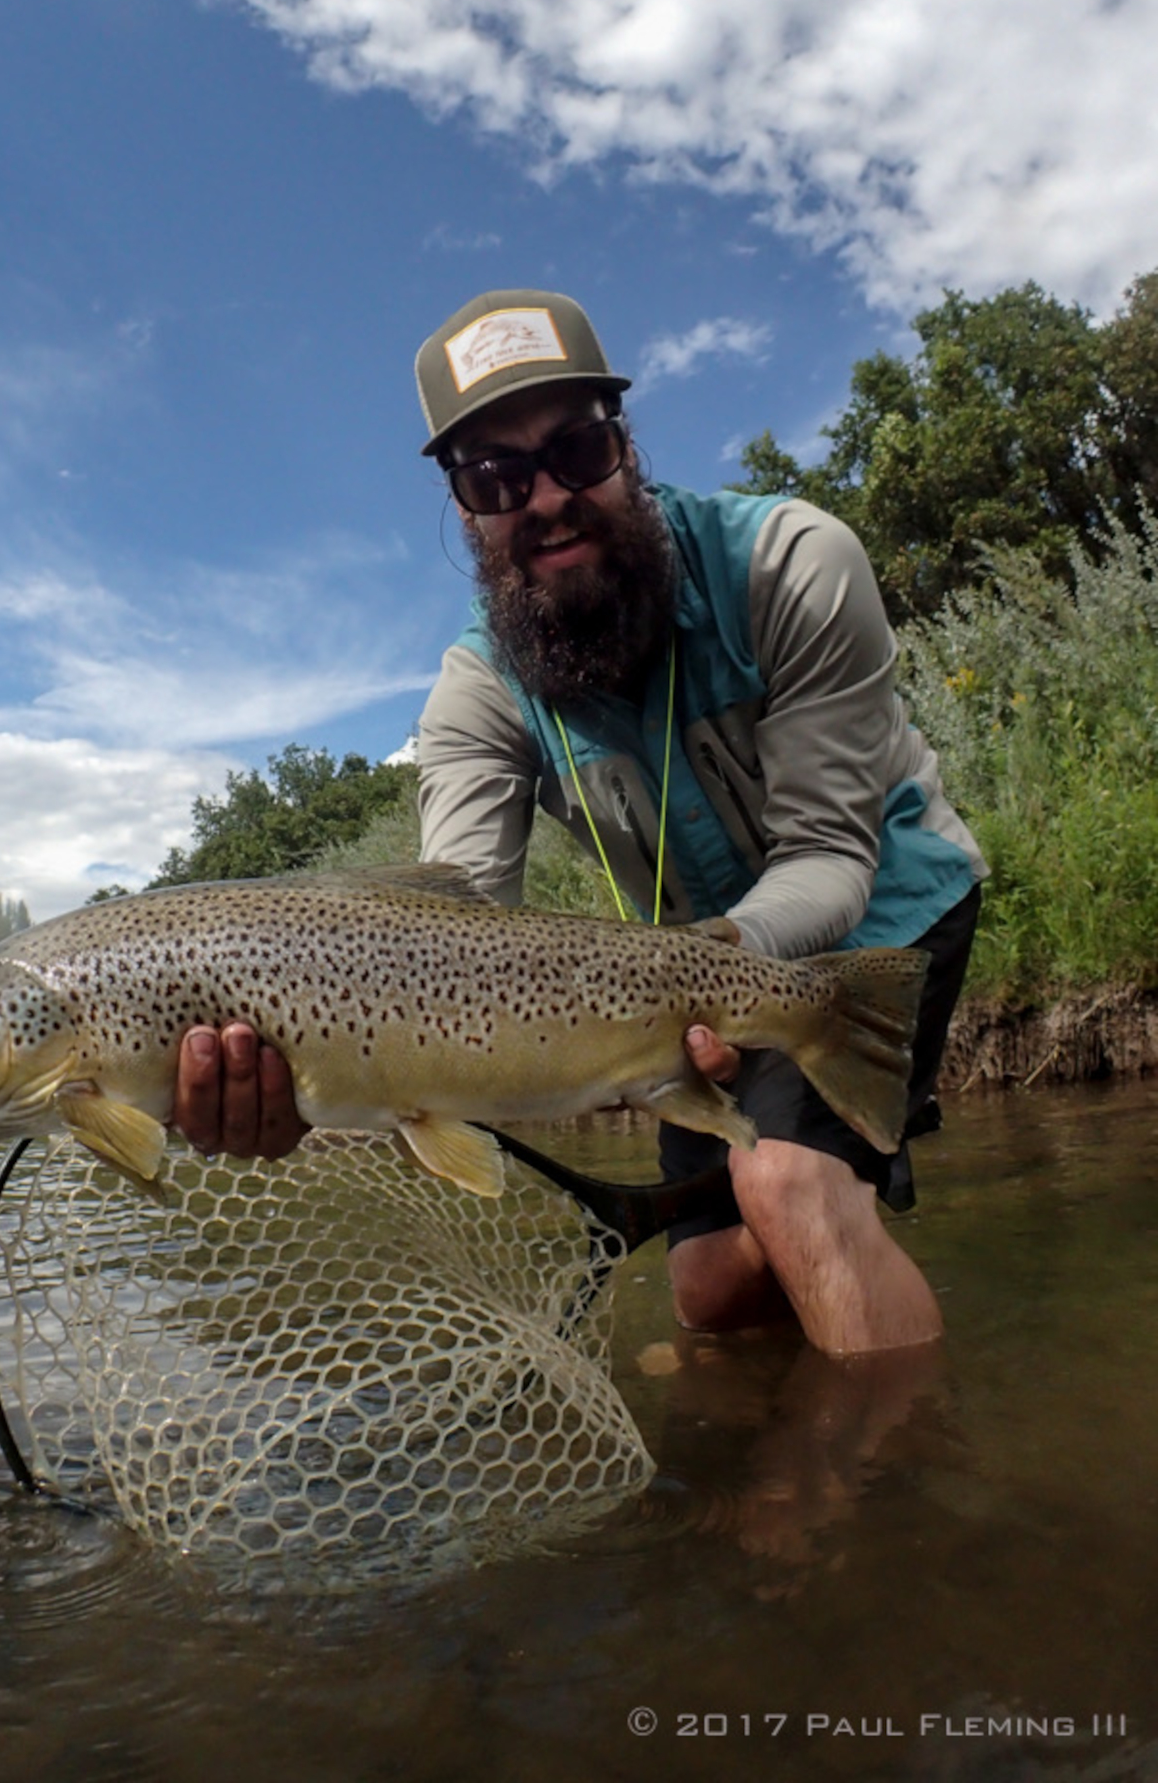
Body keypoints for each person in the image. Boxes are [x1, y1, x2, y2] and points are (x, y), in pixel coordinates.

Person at [172, 289, 986, 1357]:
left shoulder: (792, 562)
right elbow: (448, 936)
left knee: (786, 1182)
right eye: (498, 477)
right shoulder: (475, 695)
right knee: (705, 1294)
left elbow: (833, 856)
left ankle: (908, 1498)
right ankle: (831, 1246)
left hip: (885, 908)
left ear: (627, 444)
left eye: (577, 448)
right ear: (465, 506)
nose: (548, 497)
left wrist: (710, 969)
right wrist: (323, 1085)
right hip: (682, 981)